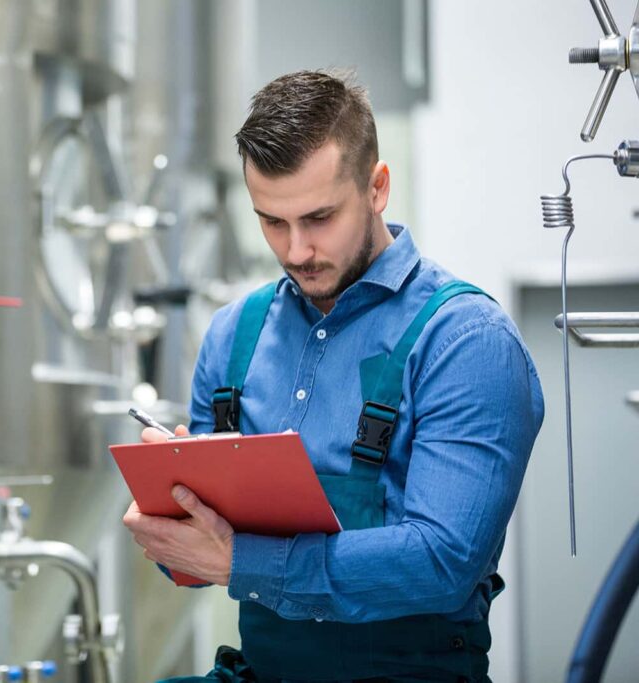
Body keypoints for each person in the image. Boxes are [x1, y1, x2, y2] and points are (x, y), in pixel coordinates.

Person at [122, 70, 544, 682]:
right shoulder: (232, 336)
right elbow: (197, 564)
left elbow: (442, 560)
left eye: (319, 218)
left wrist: (242, 560)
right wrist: (171, 521)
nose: (295, 251)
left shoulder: (465, 342)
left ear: (377, 188)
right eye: (272, 222)